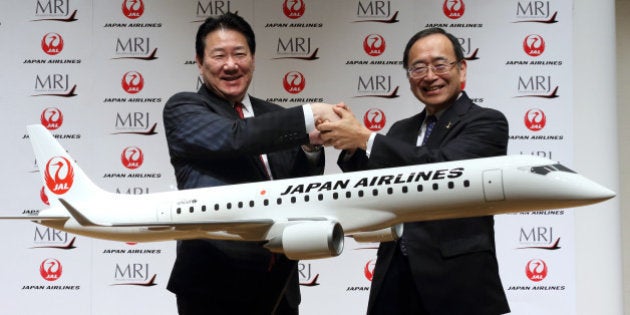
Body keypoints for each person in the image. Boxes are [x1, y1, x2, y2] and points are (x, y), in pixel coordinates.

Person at [318, 27, 511, 315]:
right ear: (409, 78)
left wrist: (365, 138)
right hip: (395, 279)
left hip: (458, 282)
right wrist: (348, 145)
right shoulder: (401, 130)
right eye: (418, 68)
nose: (430, 76)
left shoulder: (487, 123)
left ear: (462, 69)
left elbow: (444, 170)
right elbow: (373, 186)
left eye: (440, 64)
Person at [163, 13, 340, 315]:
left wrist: (310, 147)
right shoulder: (184, 109)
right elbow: (234, 137)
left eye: (239, 54)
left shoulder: (274, 115)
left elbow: (300, 188)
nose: (231, 65)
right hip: (213, 286)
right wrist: (308, 115)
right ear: (199, 62)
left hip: (280, 285)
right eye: (219, 55)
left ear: (254, 59)